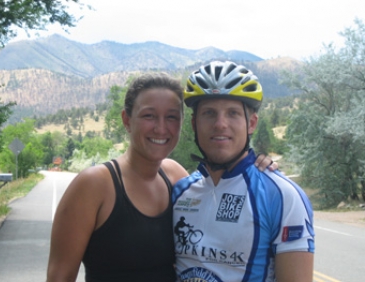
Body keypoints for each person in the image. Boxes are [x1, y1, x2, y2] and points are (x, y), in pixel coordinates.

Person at [46, 72, 276, 282]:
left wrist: (257, 165)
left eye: (172, 117)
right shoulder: (94, 185)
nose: (161, 128)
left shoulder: (176, 177)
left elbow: (222, 196)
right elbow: (59, 277)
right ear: (127, 120)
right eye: (149, 116)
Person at [172, 61, 315, 282]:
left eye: (232, 113)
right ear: (194, 123)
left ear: (252, 124)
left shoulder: (282, 195)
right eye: (209, 113)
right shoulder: (179, 192)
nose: (220, 124)